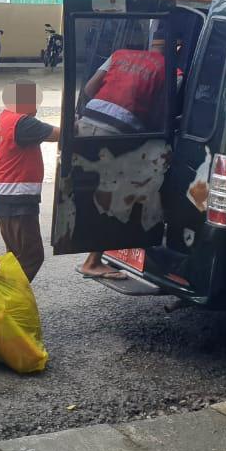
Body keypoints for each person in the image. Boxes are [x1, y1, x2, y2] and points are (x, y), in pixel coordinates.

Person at [73, 28, 169, 279]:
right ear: (177, 46)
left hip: (87, 120)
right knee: (116, 195)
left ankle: (73, 236)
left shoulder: (119, 54)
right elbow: (163, 114)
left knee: (87, 189)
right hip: (118, 133)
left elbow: (90, 89)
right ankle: (93, 261)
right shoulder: (171, 69)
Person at [0, 80, 60, 282]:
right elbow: (62, 135)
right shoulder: (24, 124)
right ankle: (6, 299)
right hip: (17, 200)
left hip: (3, 199)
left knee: (15, 258)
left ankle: (5, 301)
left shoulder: (1, 122)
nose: (37, 107)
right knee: (31, 256)